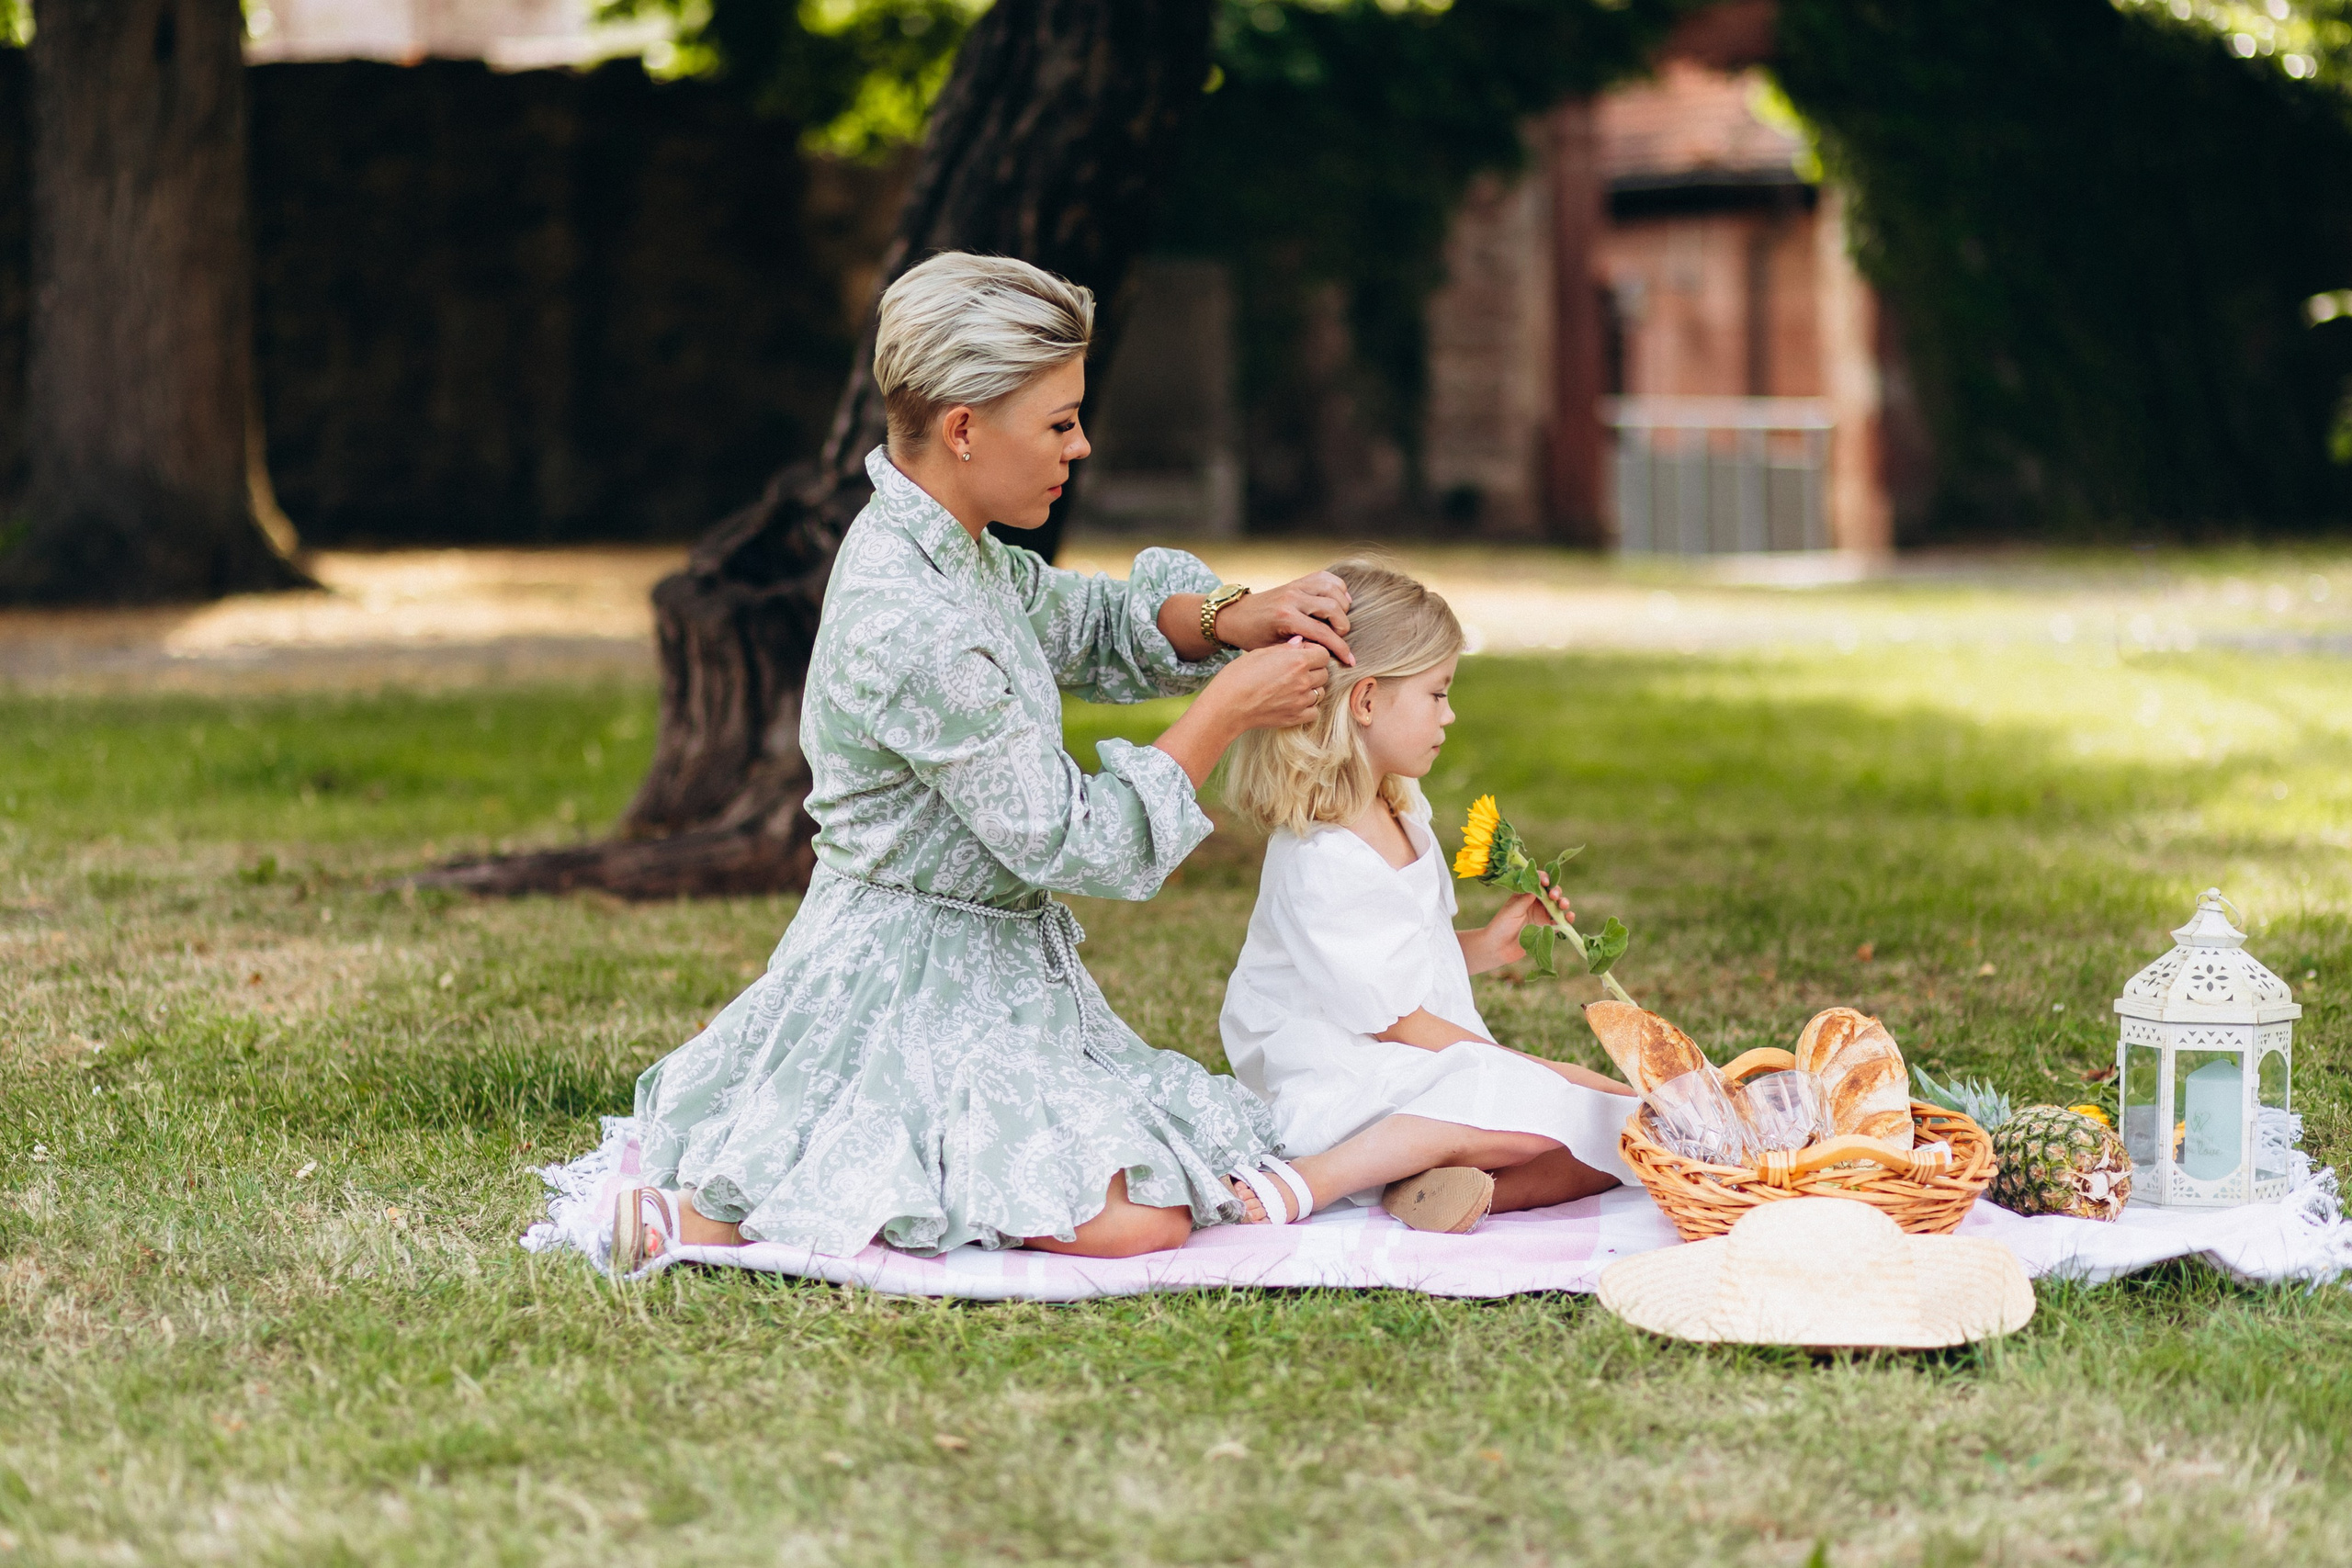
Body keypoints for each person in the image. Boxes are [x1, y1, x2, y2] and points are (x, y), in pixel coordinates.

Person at [583, 252, 1356, 1269]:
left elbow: (1074, 617)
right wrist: (1224, 711)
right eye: (1058, 422)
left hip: (988, 967)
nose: (1081, 445)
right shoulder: (912, 619)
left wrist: (1225, 617)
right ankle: (750, 1206)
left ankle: (855, 1179)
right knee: (1141, 1220)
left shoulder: (952, 544)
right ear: (962, 428)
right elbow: (1072, 840)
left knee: (1177, 1179)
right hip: (900, 986)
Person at [1215, 560, 1638, 1235]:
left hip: (1420, 1067)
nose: (1451, 713)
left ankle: (1438, 1185)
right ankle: (1321, 1177)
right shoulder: (1323, 857)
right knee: (1558, 1099)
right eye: (1437, 694)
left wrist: (1487, 946)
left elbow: (1407, 961)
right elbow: (1393, 1021)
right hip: (1344, 1082)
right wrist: (1538, 1068)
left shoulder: (1400, 812)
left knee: (1623, 1135)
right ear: (1368, 700)